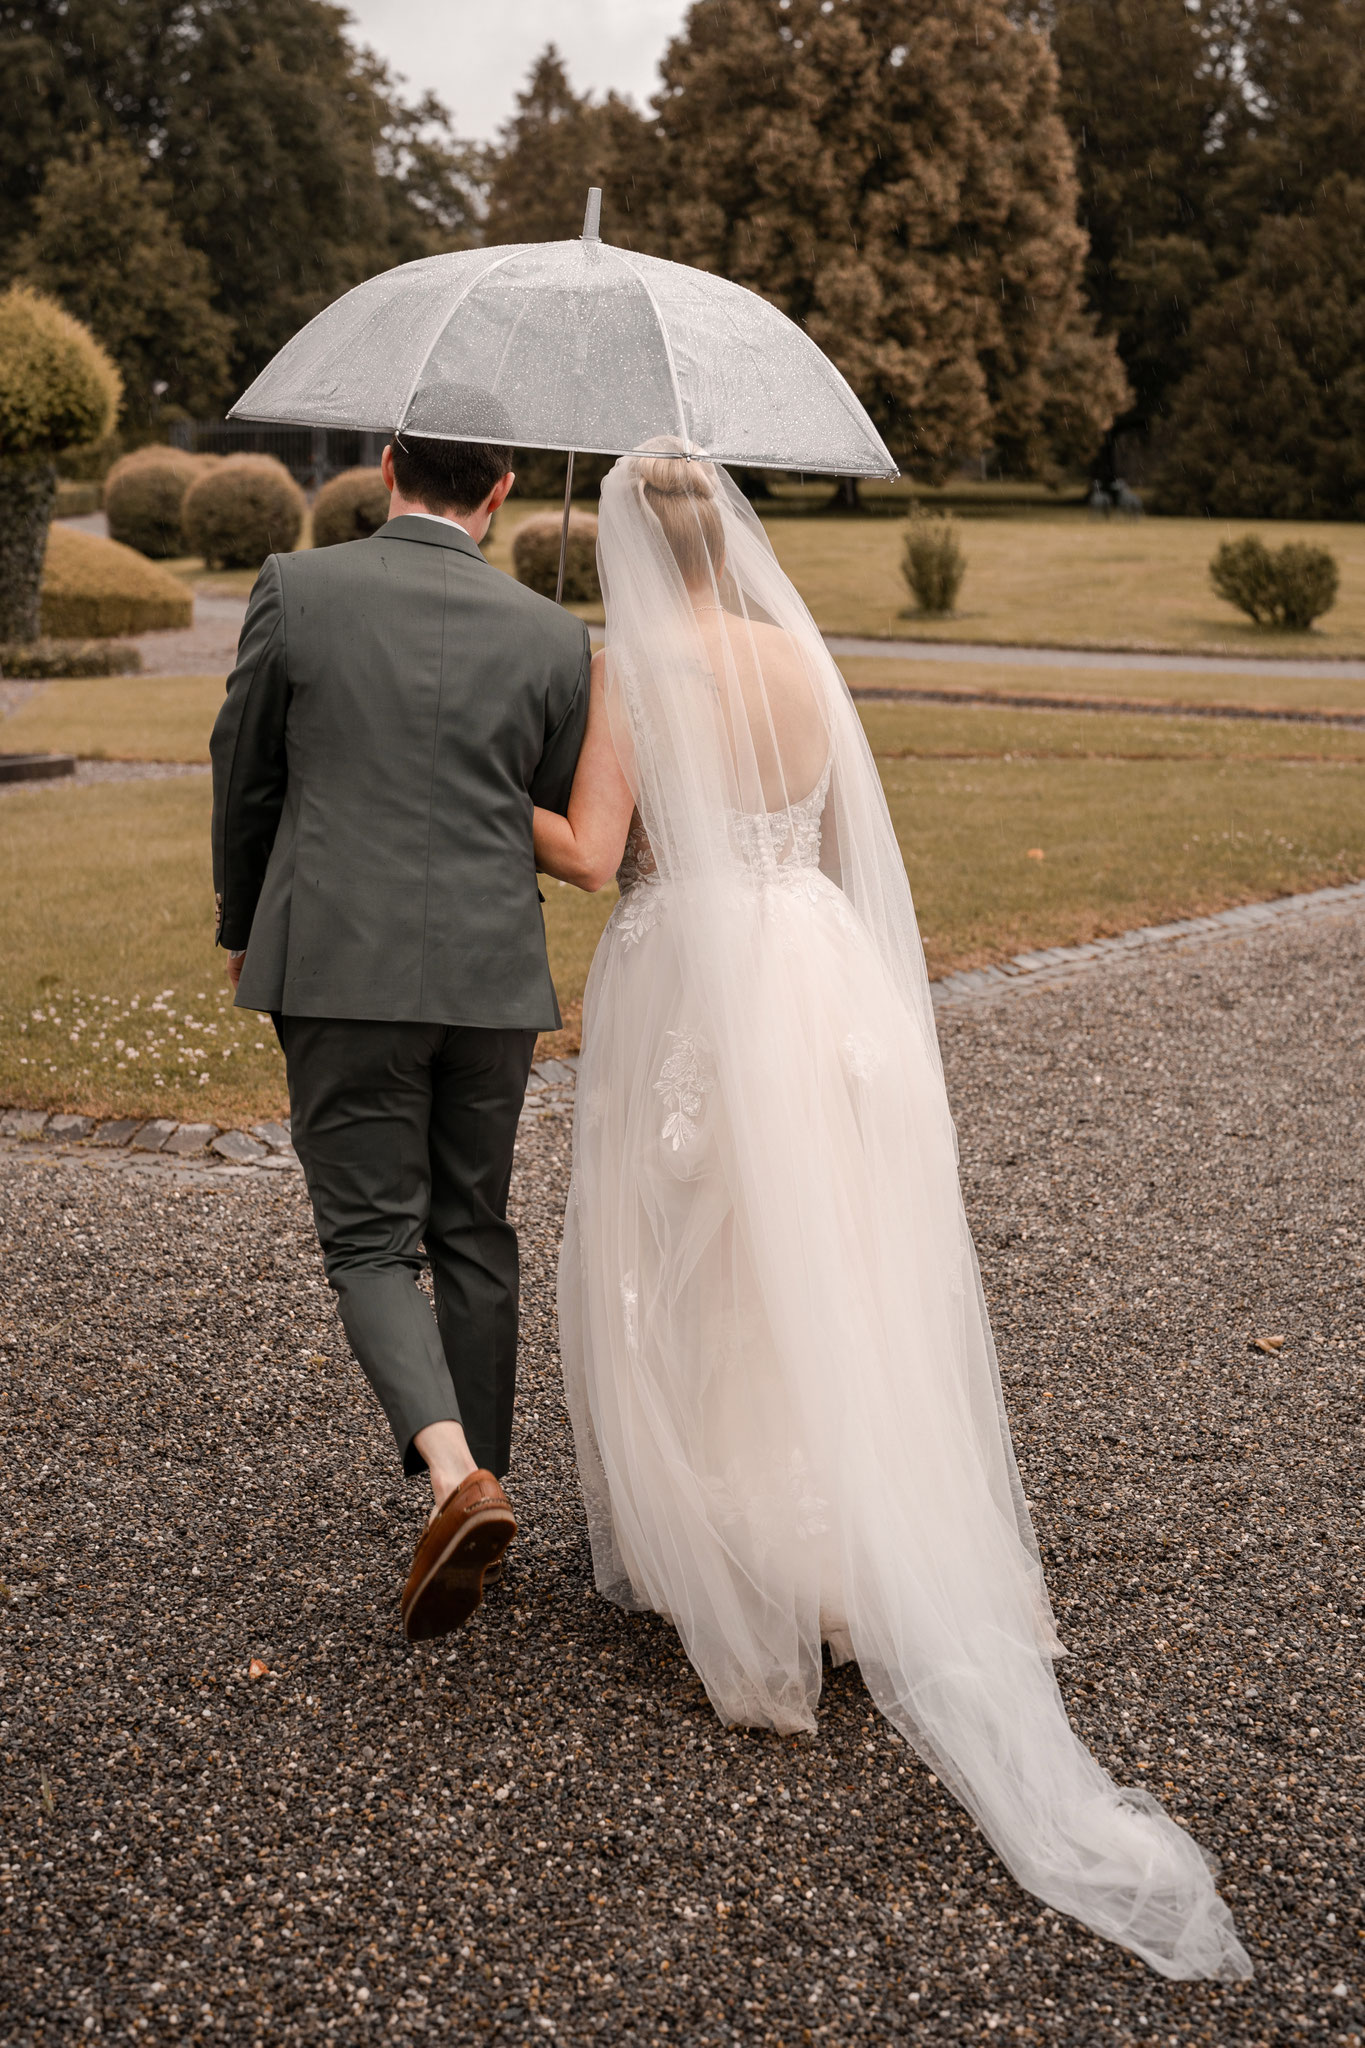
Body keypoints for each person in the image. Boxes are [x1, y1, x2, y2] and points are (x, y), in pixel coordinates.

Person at [532, 442, 1253, 1982]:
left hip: (700, 977)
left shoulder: (631, 669)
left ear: (627, 550)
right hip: (817, 962)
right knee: (842, 1251)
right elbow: (840, 838)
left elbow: (595, 857)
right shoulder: (797, 651)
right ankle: (864, 1557)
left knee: (717, 1263)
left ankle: (752, 1565)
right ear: (726, 534)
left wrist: (479, 792)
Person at [210, 433, 590, 1641]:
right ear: (503, 491)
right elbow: (553, 798)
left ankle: (454, 1475)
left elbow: (245, 768)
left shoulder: (299, 587)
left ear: (385, 467)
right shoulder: (550, 633)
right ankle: (484, 1476)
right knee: (474, 1224)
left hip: (339, 958)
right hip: (490, 974)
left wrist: (238, 917)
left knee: (370, 1240)